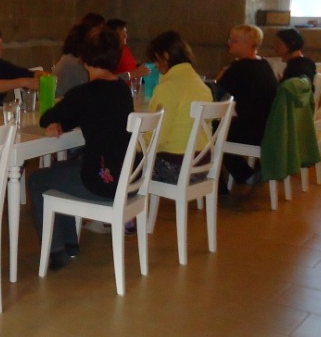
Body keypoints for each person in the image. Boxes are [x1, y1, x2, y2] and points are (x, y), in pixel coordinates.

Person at [28, 27, 134, 271]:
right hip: (124, 178)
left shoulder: (83, 93)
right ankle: (69, 243)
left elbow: (47, 117)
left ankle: (56, 250)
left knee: (38, 180)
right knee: (62, 169)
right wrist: (64, 123)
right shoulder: (122, 90)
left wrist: (58, 122)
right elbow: (91, 115)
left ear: (85, 59)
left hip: (102, 182)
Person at [145, 31, 213, 184]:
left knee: (124, 164)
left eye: (156, 59)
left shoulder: (167, 88)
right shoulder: (200, 84)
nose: (155, 65)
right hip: (202, 164)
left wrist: (132, 145)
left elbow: (156, 136)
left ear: (165, 56)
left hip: (176, 167)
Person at [215, 24, 278, 189]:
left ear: (248, 44)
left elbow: (215, 95)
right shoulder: (263, 63)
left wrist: (219, 77)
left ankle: (229, 182)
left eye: (233, 40)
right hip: (267, 127)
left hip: (251, 130)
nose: (229, 43)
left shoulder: (240, 67)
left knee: (210, 131)